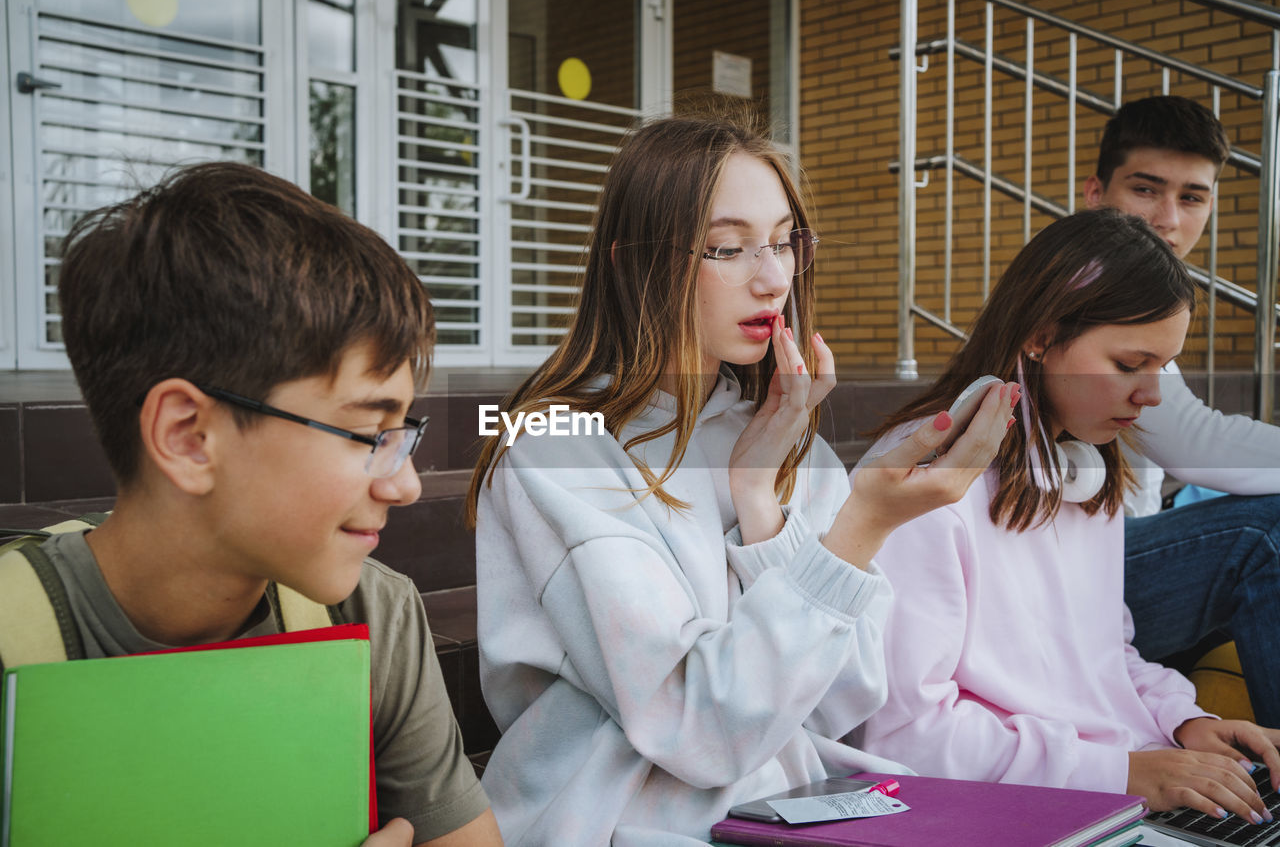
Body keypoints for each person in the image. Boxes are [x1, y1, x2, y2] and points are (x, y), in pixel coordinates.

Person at [466, 109, 1017, 845]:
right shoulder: (555, 449)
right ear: (635, 262)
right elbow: (698, 729)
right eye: (728, 248)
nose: (774, 277)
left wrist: (763, 507)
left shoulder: (781, 439)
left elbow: (841, 697)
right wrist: (860, 528)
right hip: (608, 818)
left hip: (783, 809)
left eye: (786, 242)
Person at [47, 162, 502, 847]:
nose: (404, 485)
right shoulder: (20, 631)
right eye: (365, 433)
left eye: (401, 434)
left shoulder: (375, 615)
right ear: (190, 437)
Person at [852, 208, 1280, 824]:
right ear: (1041, 335)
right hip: (1034, 807)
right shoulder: (925, 485)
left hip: (1120, 780)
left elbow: (1108, 655)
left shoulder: (1082, 470)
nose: (1152, 394)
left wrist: (1183, 721)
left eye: (1162, 366)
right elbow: (903, 736)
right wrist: (1121, 774)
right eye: (1130, 365)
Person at [1082, 95, 1280, 728]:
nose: (1168, 218)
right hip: (1059, 575)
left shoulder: (1139, 290)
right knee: (1265, 532)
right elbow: (1196, 440)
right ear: (1096, 193)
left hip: (1108, 553)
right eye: (1146, 189)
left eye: (1192, 197)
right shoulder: (1085, 287)